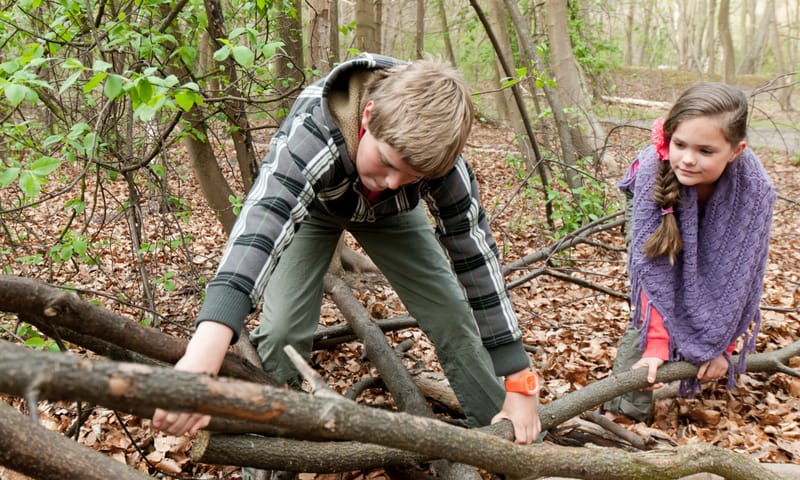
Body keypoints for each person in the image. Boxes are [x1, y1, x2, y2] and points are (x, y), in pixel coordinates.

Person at [152, 53, 541, 444]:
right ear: (368, 115)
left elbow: (476, 259)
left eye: (413, 175)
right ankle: (270, 450)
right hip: (315, 207)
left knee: (453, 316)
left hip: (395, 217)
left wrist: (520, 380)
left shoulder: (439, 165)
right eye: (388, 163)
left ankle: (509, 447)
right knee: (283, 328)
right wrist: (203, 356)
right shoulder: (313, 132)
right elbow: (260, 228)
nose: (392, 181)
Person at [604, 82, 776, 423]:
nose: (687, 158)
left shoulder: (756, 192)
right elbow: (654, 273)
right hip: (658, 200)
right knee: (658, 298)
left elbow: (739, 277)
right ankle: (622, 415)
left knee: (710, 277)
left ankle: (694, 350)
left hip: (724, 210)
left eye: (705, 151)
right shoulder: (655, 168)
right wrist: (656, 346)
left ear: (735, 150)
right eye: (679, 144)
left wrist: (723, 348)